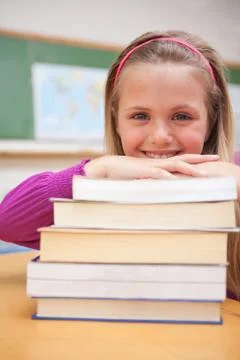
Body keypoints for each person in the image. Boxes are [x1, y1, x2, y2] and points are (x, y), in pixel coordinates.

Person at [0, 30, 239, 299]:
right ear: (116, 120)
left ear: (211, 121)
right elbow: (7, 222)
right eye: (140, 115)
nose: (160, 137)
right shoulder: (103, 184)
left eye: (182, 116)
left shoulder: (234, 175)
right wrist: (96, 169)